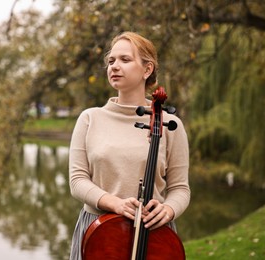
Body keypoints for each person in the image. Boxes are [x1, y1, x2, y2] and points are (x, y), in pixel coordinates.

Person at [68, 31, 190, 259]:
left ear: (147, 69)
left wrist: (169, 209)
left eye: (125, 60)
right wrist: (115, 204)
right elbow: (77, 181)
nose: (114, 66)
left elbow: (180, 189)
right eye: (111, 61)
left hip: (154, 233)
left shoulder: (170, 124)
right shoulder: (89, 118)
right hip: (98, 231)